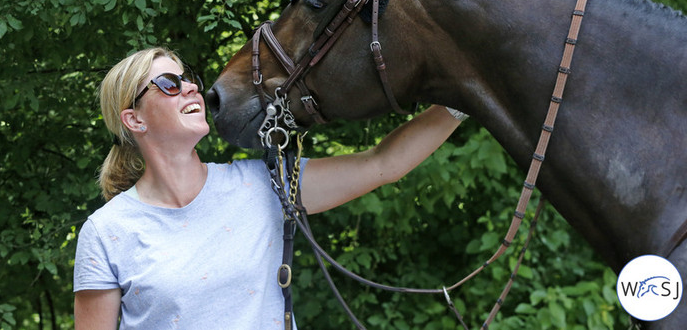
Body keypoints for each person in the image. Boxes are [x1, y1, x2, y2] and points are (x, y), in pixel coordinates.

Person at [73, 46, 464, 329]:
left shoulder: (262, 184)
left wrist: (464, 95)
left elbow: (382, 164)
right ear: (134, 120)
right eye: (168, 83)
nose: (191, 87)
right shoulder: (107, 232)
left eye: (188, 77)